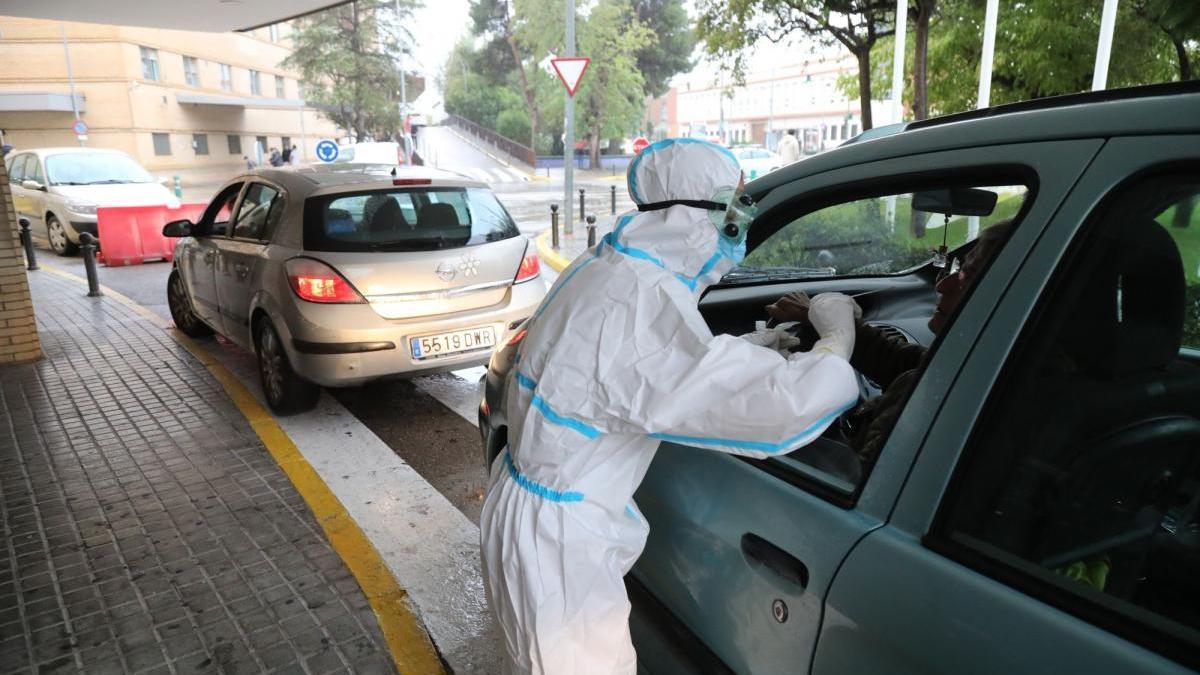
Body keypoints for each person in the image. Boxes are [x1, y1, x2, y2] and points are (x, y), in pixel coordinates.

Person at [479, 138, 861, 675]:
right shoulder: (642, 303)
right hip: (558, 552)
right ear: (694, 216)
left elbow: (646, 372)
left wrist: (759, 345)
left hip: (535, 521)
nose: (741, 223)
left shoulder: (611, 268)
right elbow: (779, 408)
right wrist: (835, 340)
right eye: (735, 207)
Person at [766, 220, 1014, 460]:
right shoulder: (975, 364)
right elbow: (903, 364)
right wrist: (822, 318)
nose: (943, 285)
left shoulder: (953, 397)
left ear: (1007, 298)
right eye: (958, 270)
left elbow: (857, 479)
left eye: (967, 277)